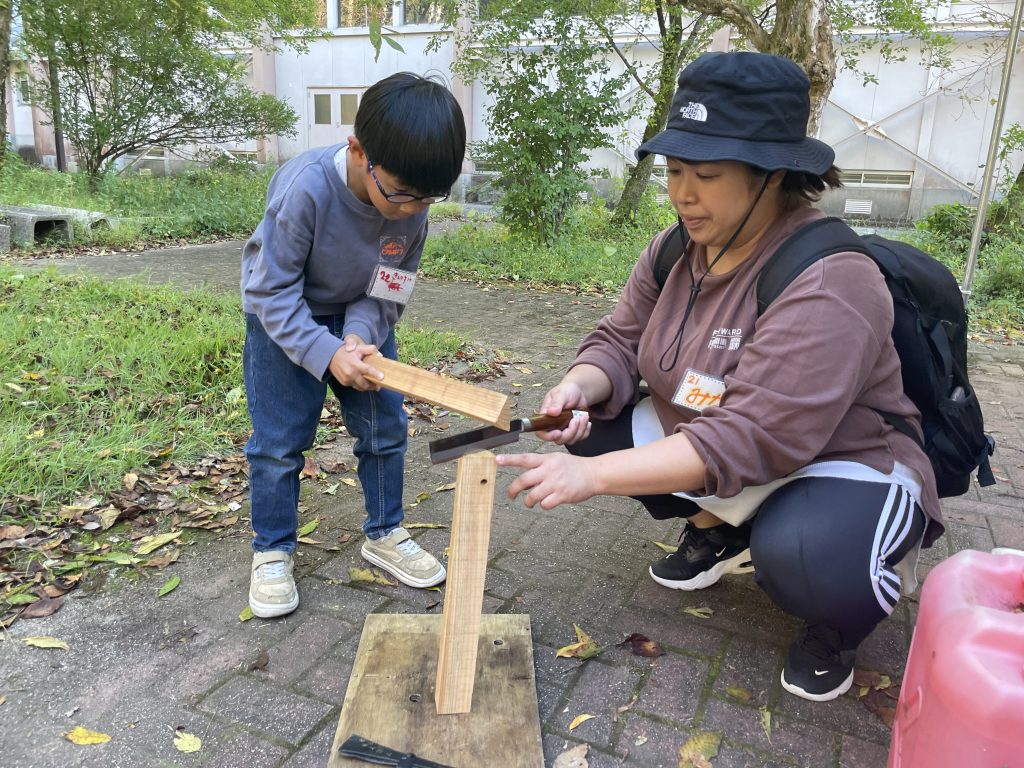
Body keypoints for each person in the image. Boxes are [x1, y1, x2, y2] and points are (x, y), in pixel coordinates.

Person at [496, 51, 943, 703]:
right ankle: (719, 530)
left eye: (706, 174)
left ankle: (839, 621)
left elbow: (752, 436)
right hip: (722, 434)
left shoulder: (830, 276)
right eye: (674, 170)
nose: (682, 193)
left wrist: (592, 478)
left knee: (804, 557)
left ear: (774, 175)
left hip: (841, 458)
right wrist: (580, 385)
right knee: (591, 432)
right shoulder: (675, 248)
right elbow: (619, 340)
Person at [240, 72, 466, 618]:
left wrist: (360, 336)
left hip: (359, 319)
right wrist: (325, 353)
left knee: (384, 428)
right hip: (283, 317)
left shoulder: (413, 206)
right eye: (402, 194)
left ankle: (384, 532)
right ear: (359, 150)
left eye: (427, 198)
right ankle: (272, 549)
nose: (412, 209)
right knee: (279, 443)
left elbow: (391, 285)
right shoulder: (305, 190)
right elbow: (270, 291)